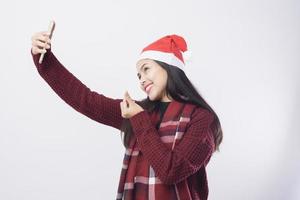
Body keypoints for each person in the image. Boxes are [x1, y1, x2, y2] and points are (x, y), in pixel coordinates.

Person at [31, 31, 223, 200]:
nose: (142, 80)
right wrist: (44, 59)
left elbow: (172, 171)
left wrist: (139, 119)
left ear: (169, 67)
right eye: (138, 75)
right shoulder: (138, 111)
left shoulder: (202, 119)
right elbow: (84, 99)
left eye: (146, 69)